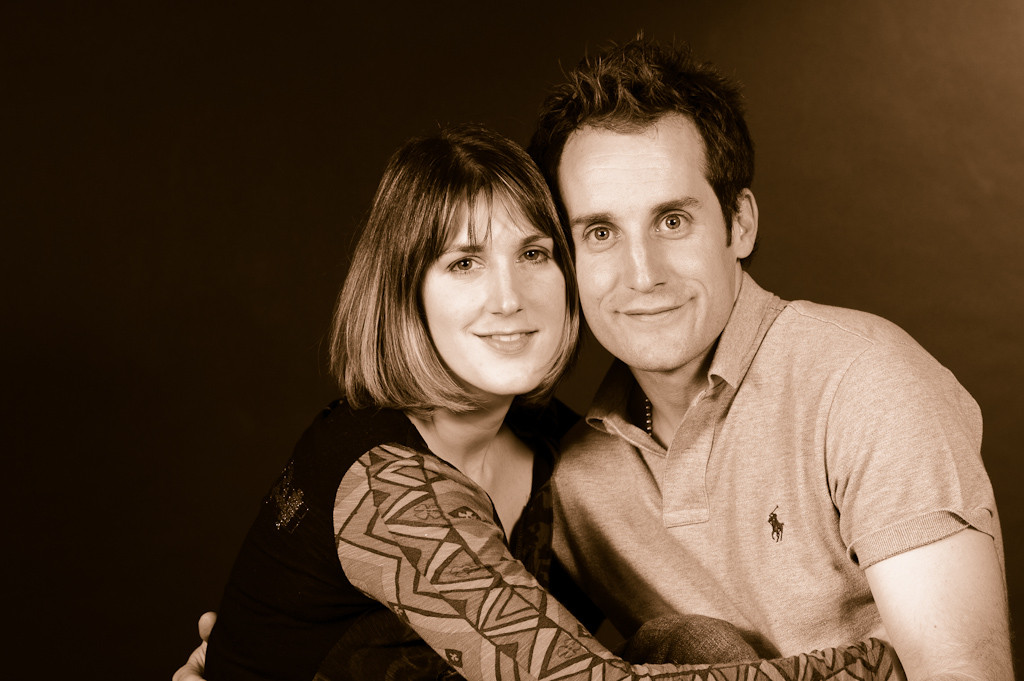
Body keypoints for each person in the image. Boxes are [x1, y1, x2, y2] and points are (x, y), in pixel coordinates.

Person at [174, 124, 900, 681]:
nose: (509, 299)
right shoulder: (383, 480)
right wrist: (889, 659)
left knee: (689, 638)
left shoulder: (556, 448)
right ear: (405, 294)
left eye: (533, 254)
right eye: (463, 263)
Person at [527, 38, 1012, 680]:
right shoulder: (576, 482)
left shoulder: (864, 385)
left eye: (672, 221)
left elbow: (962, 674)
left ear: (740, 224)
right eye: (600, 232)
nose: (642, 274)